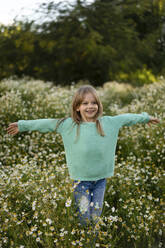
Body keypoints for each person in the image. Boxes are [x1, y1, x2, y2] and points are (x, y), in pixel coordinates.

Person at [7, 85, 159, 226]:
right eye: (85, 103)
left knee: (96, 216)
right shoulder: (68, 125)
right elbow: (45, 124)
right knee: (85, 217)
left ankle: (93, 239)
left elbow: (128, 118)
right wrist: (22, 125)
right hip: (80, 181)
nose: (90, 106)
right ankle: (87, 240)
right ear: (77, 107)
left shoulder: (109, 123)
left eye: (93, 102)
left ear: (98, 105)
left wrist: (145, 118)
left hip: (100, 180)